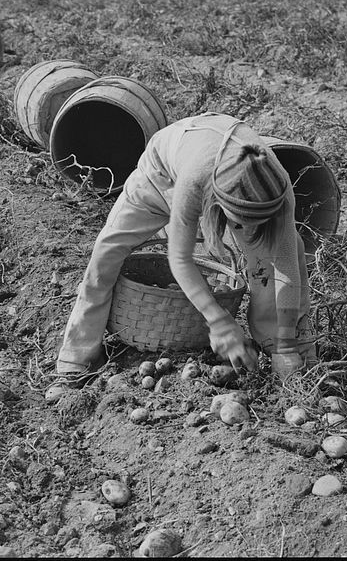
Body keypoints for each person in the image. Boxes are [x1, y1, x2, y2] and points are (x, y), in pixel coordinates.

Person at [45, 112, 315, 404]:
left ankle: (281, 348)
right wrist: (219, 322)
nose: (244, 232)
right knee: (107, 251)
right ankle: (78, 356)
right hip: (161, 176)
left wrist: (285, 345)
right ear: (217, 204)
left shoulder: (279, 187)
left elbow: (286, 268)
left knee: (273, 262)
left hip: (228, 182)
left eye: (253, 224)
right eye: (238, 223)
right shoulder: (195, 179)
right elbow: (180, 258)